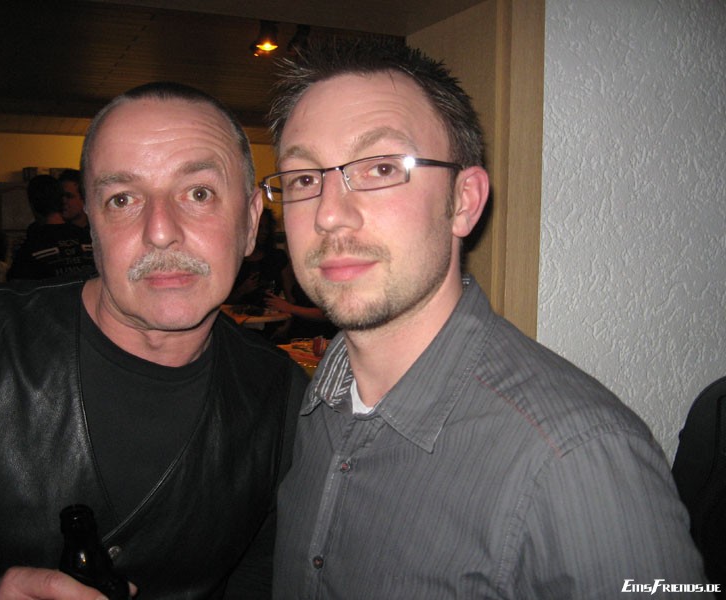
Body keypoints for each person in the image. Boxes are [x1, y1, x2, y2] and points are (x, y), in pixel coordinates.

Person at [263, 40, 710, 598]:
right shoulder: (316, 402)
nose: (329, 214)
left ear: (464, 201)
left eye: (381, 167)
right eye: (304, 179)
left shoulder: (578, 458)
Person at [0, 82, 308, 600]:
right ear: (92, 227)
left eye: (198, 193)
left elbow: (261, 570)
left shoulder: (281, 394)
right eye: (122, 199)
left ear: (251, 221)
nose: (160, 231)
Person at [7, 174, 95, 280]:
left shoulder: (32, 245)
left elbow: (16, 283)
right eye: (64, 196)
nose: (66, 201)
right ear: (60, 200)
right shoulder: (88, 238)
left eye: (69, 196)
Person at [227, 208, 294, 307]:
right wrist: (242, 290)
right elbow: (220, 304)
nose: (264, 232)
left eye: (267, 228)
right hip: (237, 316)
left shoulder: (278, 258)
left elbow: (291, 299)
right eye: (260, 227)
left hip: (271, 315)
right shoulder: (233, 260)